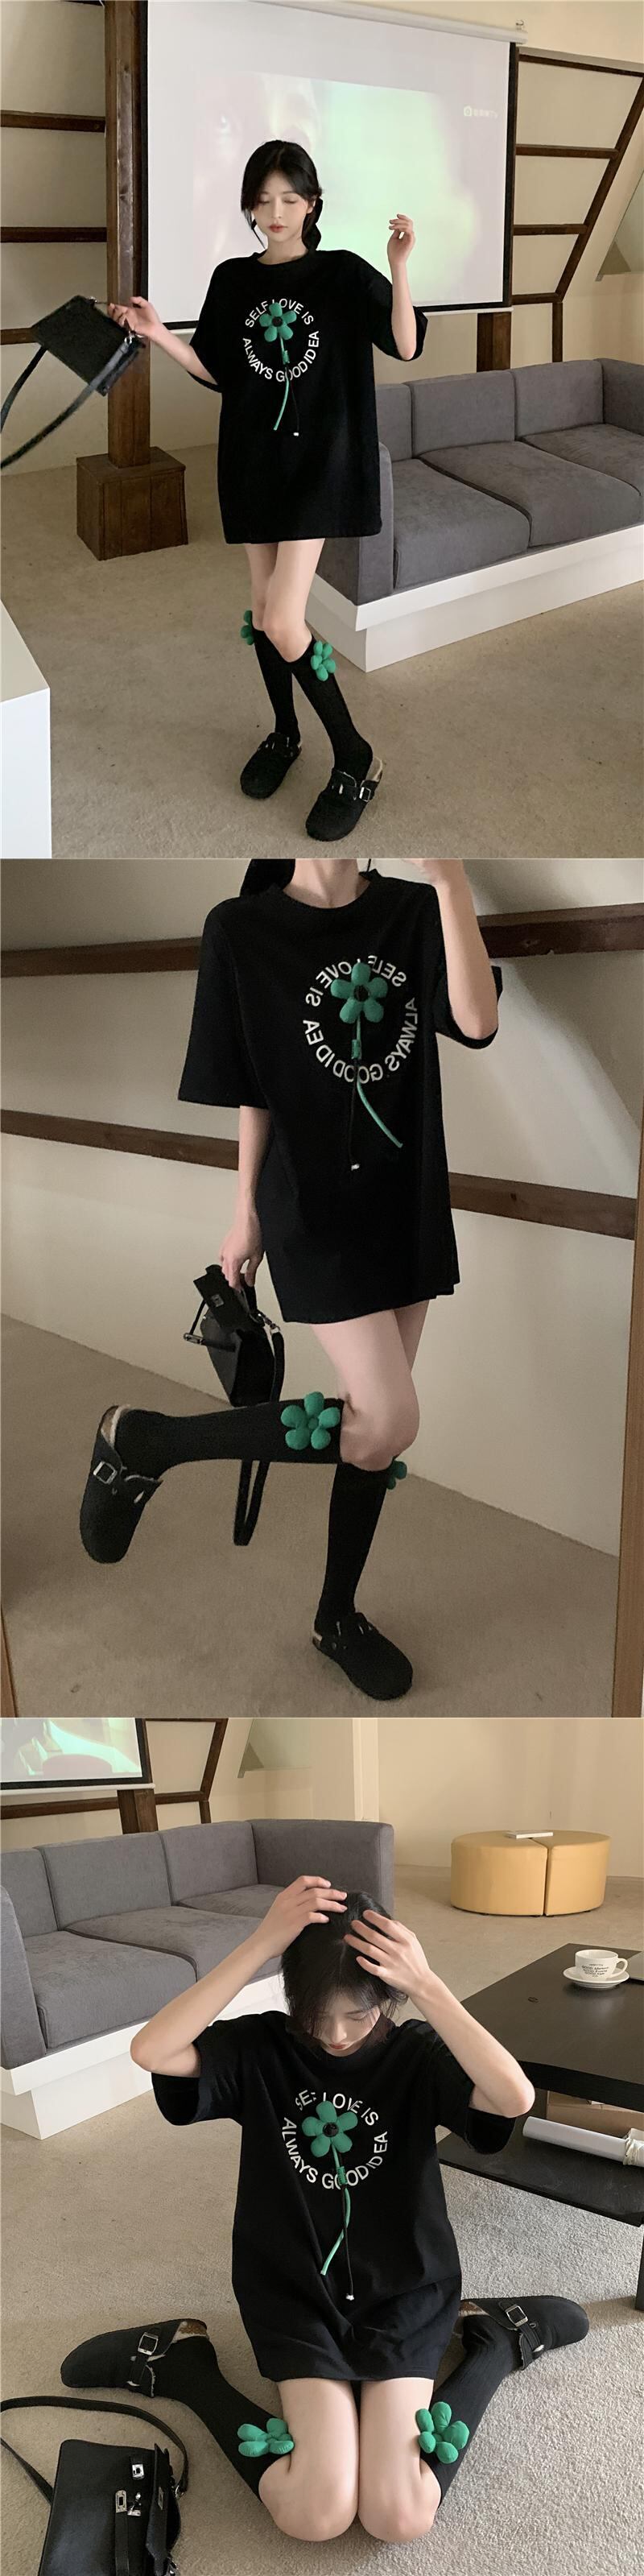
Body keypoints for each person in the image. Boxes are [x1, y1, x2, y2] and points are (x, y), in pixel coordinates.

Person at [80, 857, 502, 1703]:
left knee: (373, 1432)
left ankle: (334, 1616)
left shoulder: (415, 909)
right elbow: (254, 1083)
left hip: (404, 1196)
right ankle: (149, 1442)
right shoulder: (241, 929)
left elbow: (477, 1022)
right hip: (309, 1202)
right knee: (389, 1416)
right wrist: (245, 1210)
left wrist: (451, 880)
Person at [61, 1879, 588, 2545]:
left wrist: (427, 1983)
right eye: (316, 2014)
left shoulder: (415, 2052)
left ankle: (498, 2341)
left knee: (400, 2514)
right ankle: (184, 2366)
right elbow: (152, 2049)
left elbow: (513, 2096)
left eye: (358, 2014)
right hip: (295, 2294)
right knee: (314, 2511)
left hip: (404, 2289)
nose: (335, 2034)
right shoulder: (263, 2048)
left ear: (387, 1997)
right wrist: (261, 1943)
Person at [109, 140, 427, 841]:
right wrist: (159, 335)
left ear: (312, 204)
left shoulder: (344, 273)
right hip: (253, 461)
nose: (275, 211)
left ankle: (356, 755)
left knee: (285, 619)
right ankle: (286, 733)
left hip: (317, 466)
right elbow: (219, 369)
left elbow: (405, 345)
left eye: (289, 198)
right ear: (250, 205)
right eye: (263, 199)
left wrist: (400, 267)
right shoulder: (232, 279)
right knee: (261, 612)